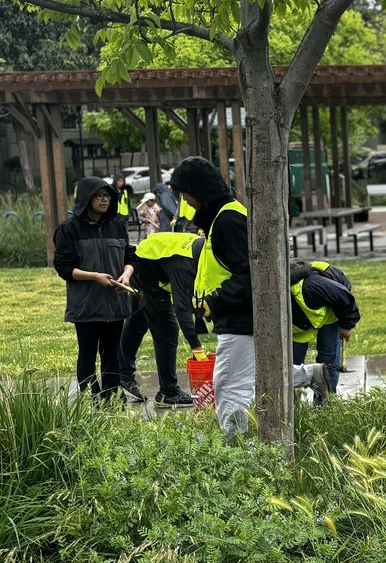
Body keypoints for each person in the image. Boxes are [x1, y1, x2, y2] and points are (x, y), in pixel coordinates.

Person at [171, 156, 329, 441]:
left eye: (186, 193)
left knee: (229, 385)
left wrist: (214, 302)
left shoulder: (228, 221)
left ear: (199, 190)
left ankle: (236, 449)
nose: (185, 200)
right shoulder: (223, 216)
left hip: (240, 318)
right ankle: (310, 375)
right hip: (240, 316)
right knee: (257, 375)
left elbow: (251, 275)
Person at [53, 177, 135, 402]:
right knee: (87, 355)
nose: (104, 200)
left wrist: (126, 275)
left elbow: (130, 257)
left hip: (116, 304)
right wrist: (95, 277)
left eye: (108, 196)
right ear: (86, 198)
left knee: (112, 355)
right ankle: (92, 399)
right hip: (86, 305)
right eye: (99, 196)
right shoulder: (69, 229)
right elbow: (64, 268)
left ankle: (111, 398)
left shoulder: (117, 225)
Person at [117, 232, 207, 408]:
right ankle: (168, 392)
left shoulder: (202, 249)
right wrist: (197, 348)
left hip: (150, 264)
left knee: (139, 321)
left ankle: (122, 374)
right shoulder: (184, 265)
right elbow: (182, 309)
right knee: (167, 328)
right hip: (142, 269)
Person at [290, 261, 361, 397]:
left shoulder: (313, 286)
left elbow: (344, 298)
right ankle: (292, 403)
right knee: (292, 364)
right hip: (300, 326)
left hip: (329, 314)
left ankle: (326, 401)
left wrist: (346, 326)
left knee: (328, 359)